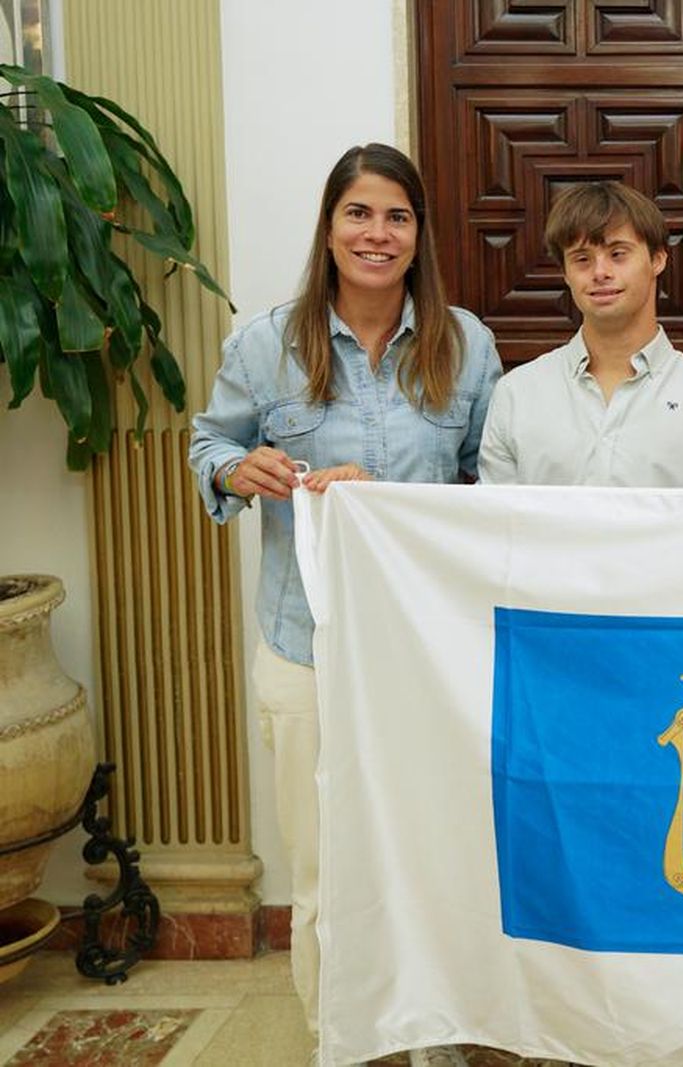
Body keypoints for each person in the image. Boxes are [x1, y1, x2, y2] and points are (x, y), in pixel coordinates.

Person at [188, 143, 502, 1039]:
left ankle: (433, 1032)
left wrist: (399, 503)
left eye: (397, 216)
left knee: (435, 858)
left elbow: (490, 485)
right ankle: (338, 1038)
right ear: (329, 228)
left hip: (429, 655)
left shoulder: (466, 345)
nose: (377, 233)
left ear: (419, 233)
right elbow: (210, 443)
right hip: (308, 650)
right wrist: (237, 469)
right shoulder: (265, 344)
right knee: (324, 865)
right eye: (358, 213)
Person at [476, 181, 683, 486]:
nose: (600, 272)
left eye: (618, 254)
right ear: (565, 273)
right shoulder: (516, 395)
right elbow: (494, 515)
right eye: (582, 259)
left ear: (657, 259)